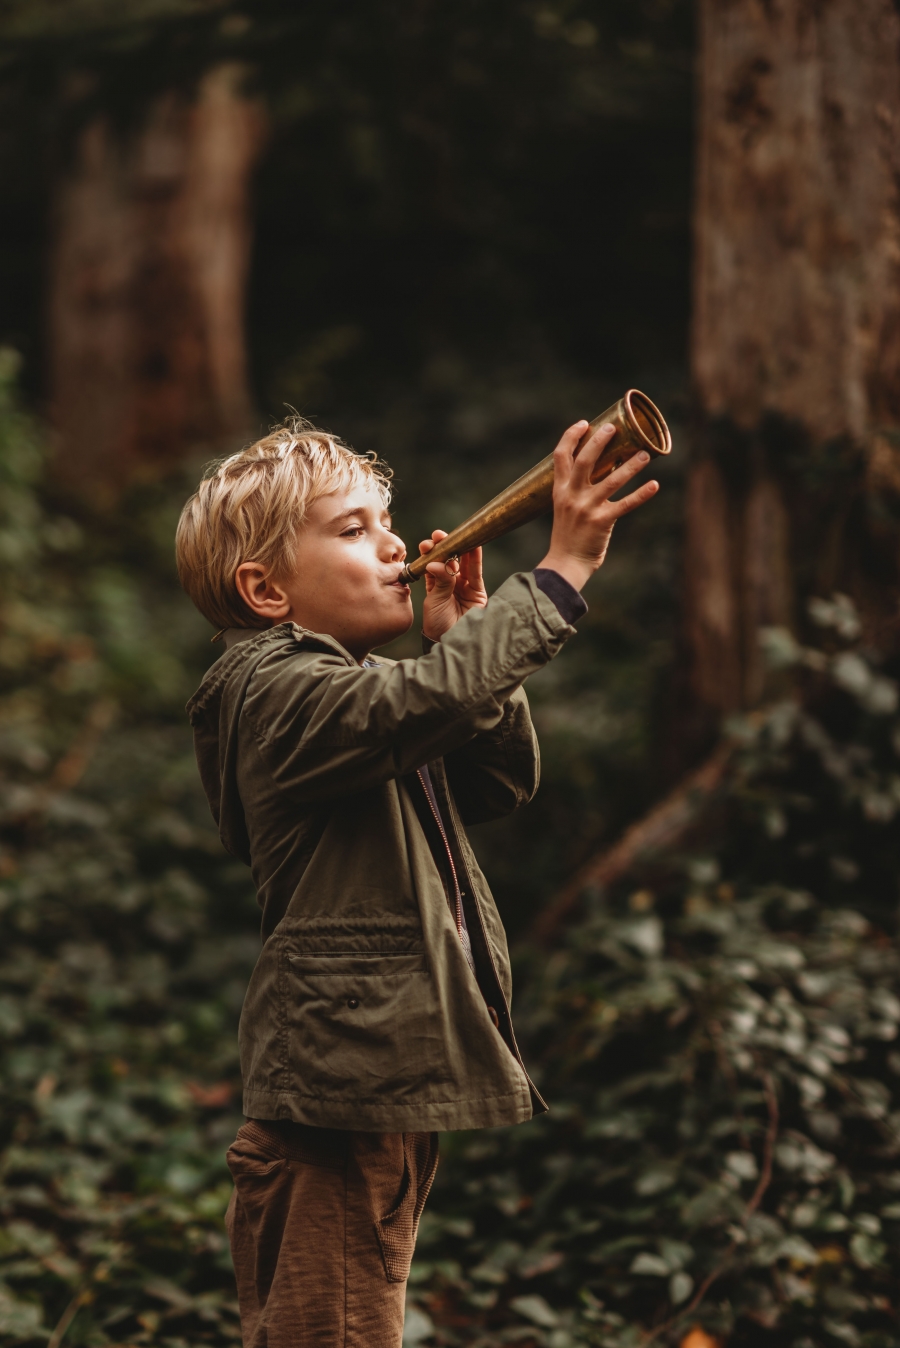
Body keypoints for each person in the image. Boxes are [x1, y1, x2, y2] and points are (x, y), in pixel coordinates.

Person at [175, 415, 658, 1348]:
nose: (394, 542)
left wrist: (461, 636)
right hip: (342, 1080)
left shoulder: (348, 695)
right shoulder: (272, 692)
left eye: (385, 519)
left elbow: (499, 781)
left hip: (369, 1076)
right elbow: (424, 701)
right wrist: (557, 574)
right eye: (353, 529)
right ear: (265, 590)